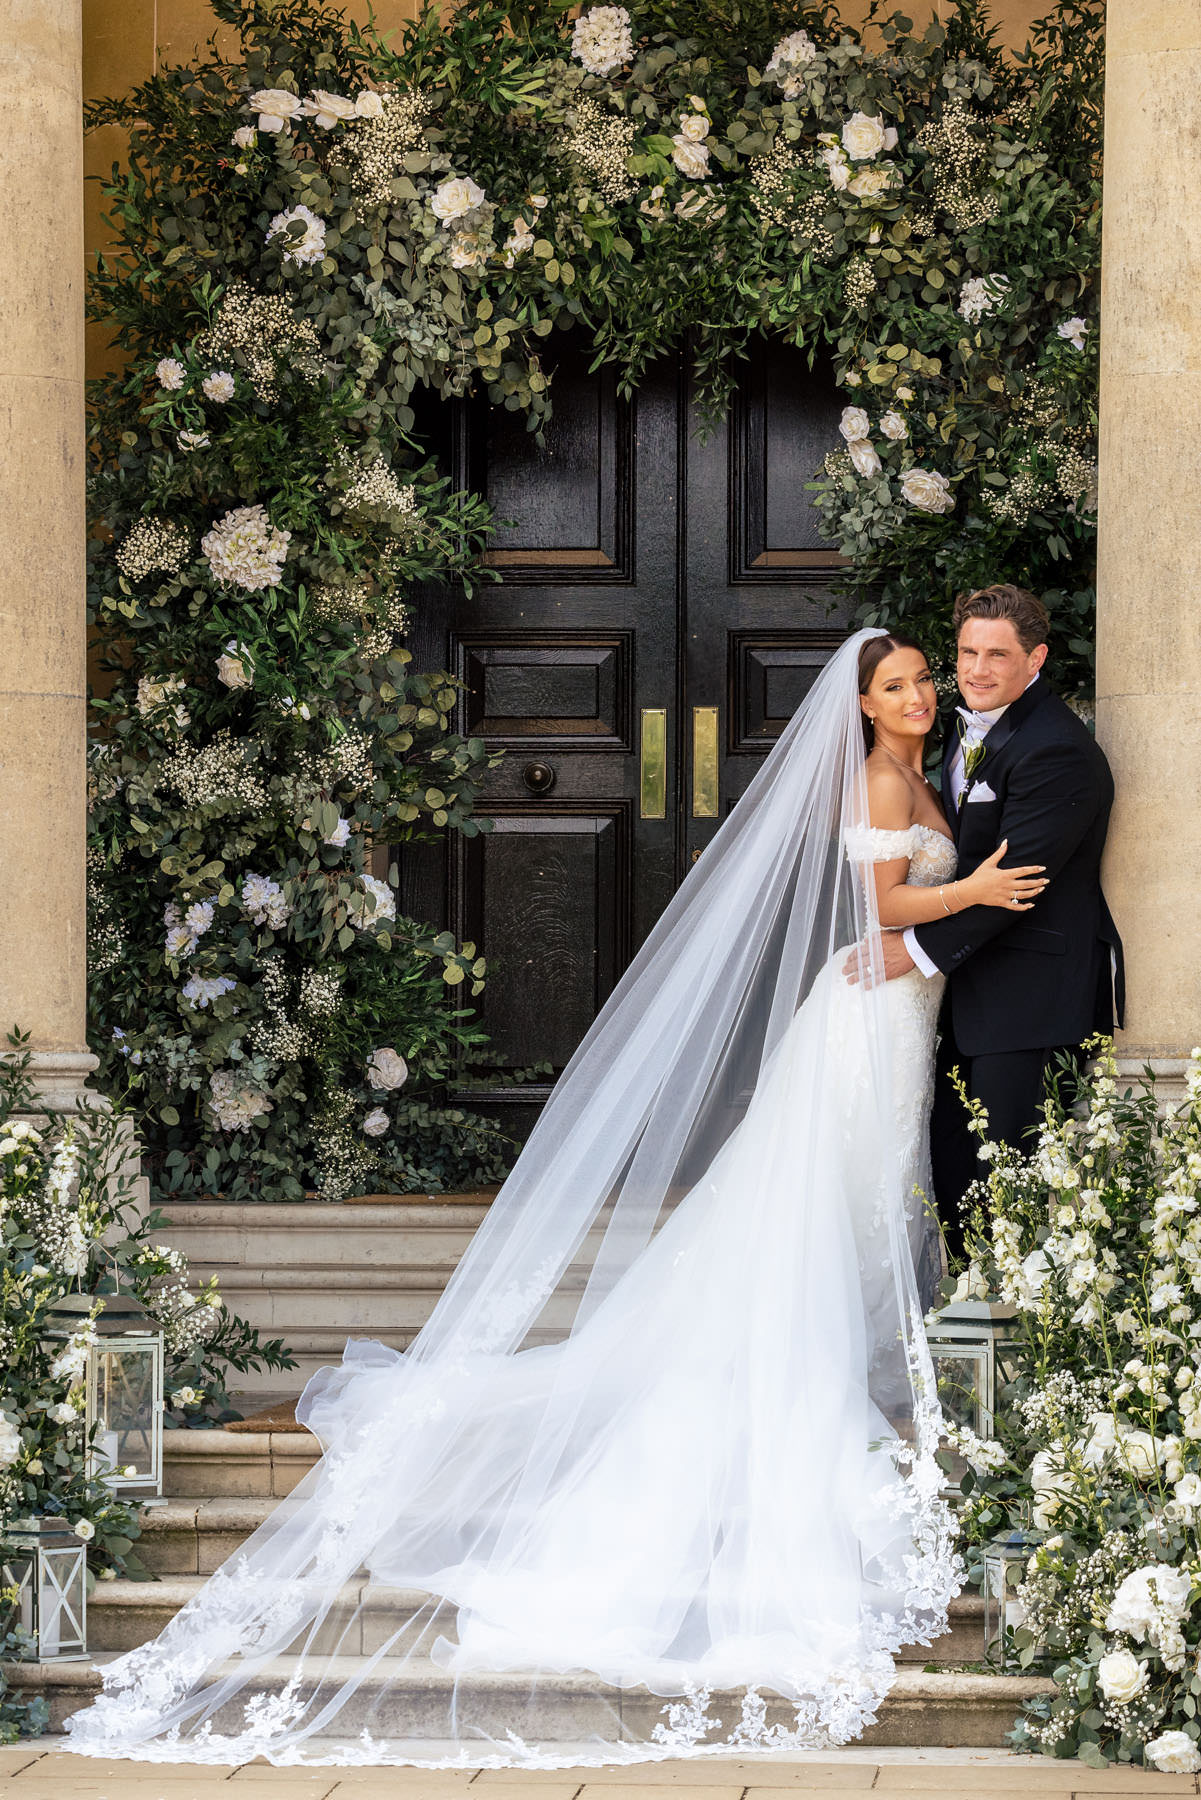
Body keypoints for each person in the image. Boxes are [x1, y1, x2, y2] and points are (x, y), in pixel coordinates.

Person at [61, 629, 1032, 1773]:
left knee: (863, 1208)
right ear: (862, 706)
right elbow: (876, 908)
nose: (918, 697)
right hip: (862, 1026)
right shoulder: (877, 775)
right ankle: (796, 1369)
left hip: (899, 1025)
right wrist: (969, 888)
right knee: (825, 1208)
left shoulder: (926, 771)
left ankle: (851, 1357)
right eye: (898, 685)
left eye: (922, 681)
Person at [857, 586, 1124, 1262]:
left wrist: (913, 950)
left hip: (1030, 1004)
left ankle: (1004, 1351)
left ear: (1033, 659)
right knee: (954, 1184)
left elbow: (1017, 887)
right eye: (967, 651)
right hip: (971, 999)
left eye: (996, 654)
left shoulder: (1054, 748)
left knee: (998, 1197)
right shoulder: (953, 734)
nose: (976, 669)